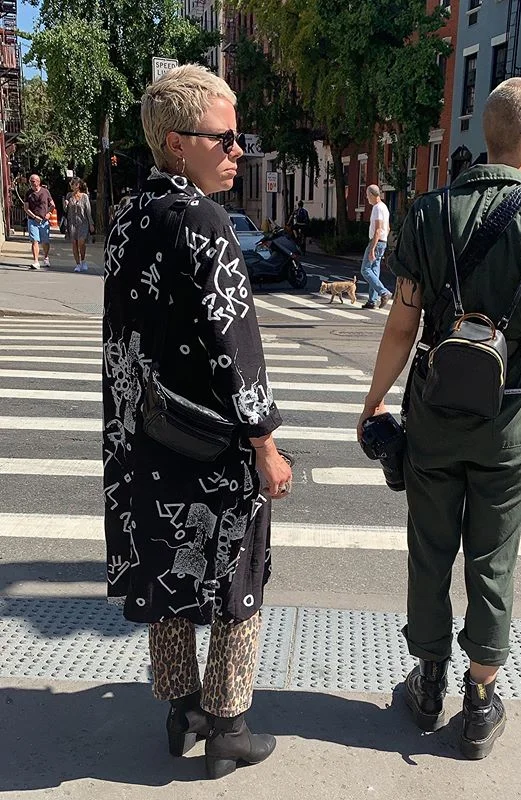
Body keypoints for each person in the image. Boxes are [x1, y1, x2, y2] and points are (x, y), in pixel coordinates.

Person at [357, 77, 521, 759]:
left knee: (429, 550)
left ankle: (426, 686)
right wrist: (513, 348)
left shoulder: (427, 214)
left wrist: (373, 404)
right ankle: (480, 704)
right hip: (509, 423)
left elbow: (401, 327)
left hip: (431, 416)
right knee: (493, 559)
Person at [102, 63, 292, 780]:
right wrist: (266, 443)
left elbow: (120, 342)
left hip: (146, 441)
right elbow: (236, 346)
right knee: (236, 580)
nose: (238, 150)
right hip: (213, 448)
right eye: (226, 138)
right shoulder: (204, 220)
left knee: (167, 578)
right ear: (178, 144)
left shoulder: (130, 216)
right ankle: (228, 726)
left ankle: (179, 711)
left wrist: (122, 440)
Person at [360, 185, 392, 309]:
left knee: (365, 269)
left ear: (372, 195)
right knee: (374, 271)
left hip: (376, 241)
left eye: (367, 195)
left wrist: (373, 248)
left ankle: (383, 292)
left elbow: (378, 229)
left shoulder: (377, 208)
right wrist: (383, 242)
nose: (367, 198)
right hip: (382, 242)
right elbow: (388, 228)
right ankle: (372, 301)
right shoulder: (384, 207)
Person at [23, 174, 55, 270]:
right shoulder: (28, 193)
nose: (32, 183)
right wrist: (34, 216)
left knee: (45, 241)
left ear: (38, 181)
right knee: (34, 240)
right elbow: (26, 208)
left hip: (44, 221)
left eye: (33, 181)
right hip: (32, 220)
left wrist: (49, 213)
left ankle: (45, 257)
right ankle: (36, 261)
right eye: (30, 181)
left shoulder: (45, 192)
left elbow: (52, 205)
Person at [63, 178, 95, 272]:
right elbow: (65, 211)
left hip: (83, 222)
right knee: (74, 243)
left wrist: (91, 224)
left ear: (79, 185)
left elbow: (88, 211)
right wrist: (65, 204)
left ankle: (83, 260)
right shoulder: (69, 195)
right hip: (72, 222)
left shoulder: (84, 196)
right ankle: (78, 264)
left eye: (76, 184)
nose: (74, 186)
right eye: (73, 184)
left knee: (81, 242)